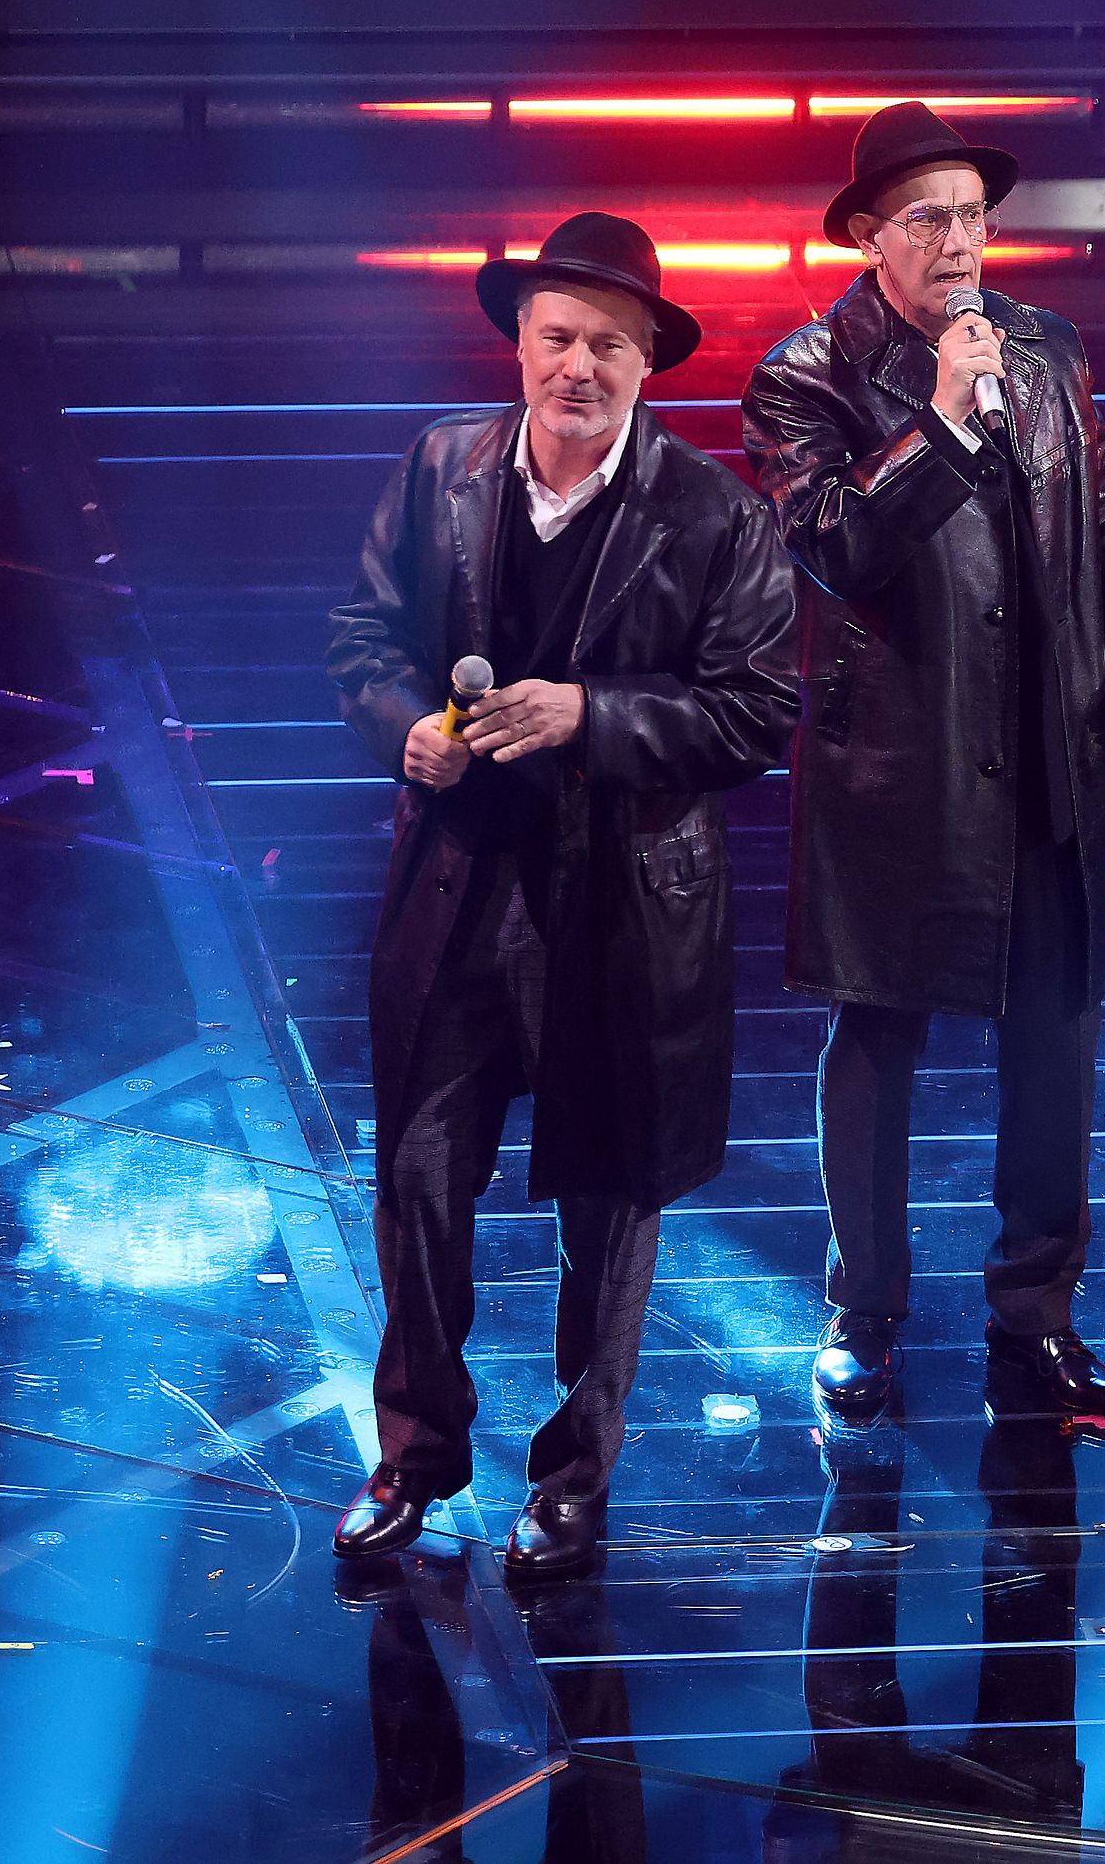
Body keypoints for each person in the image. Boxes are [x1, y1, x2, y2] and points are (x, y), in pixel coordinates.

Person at [322, 213, 798, 1576]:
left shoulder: (714, 514)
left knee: (613, 1198)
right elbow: (361, 638)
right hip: (459, 887)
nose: (577, 365)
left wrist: (590, 713)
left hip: (625, 902)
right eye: (557, 338)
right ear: (519, 344)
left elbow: (758, 710)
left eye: (606, 344)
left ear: (648, 361)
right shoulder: (441, 468)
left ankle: (578, 1474)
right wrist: (405, 729)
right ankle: (416, 1451)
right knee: (420, 1177)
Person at [742, 100, 1105, 1435]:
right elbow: (833, 545)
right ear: (869, 236)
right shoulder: (806, 373)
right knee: (878, 1035)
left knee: (1055, 1040)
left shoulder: (1046, 347)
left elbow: (1103, 512)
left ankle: (1036, 1312)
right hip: (900, 757)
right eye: (927, 216)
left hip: (1047, 742)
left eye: (972, 214)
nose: (958, 239)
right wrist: (936, 420)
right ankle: (864, 1312)